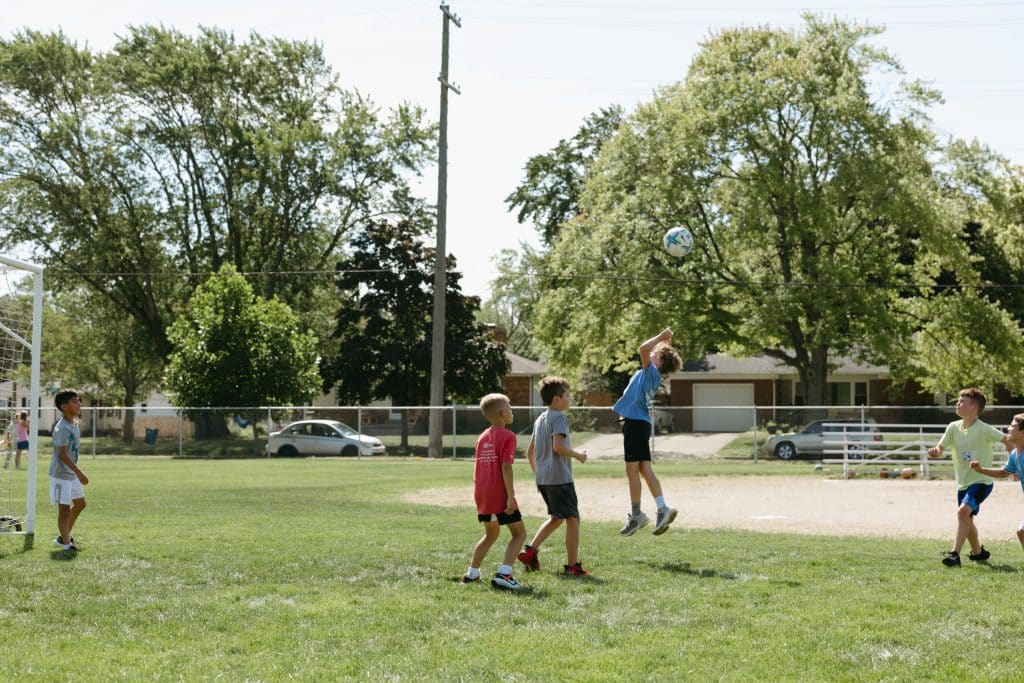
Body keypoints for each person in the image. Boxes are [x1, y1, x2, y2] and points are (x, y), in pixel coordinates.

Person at [926, 387, 1010, 567]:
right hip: (962, 483)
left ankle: (954, 554)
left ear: (974, 407)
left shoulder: (985, 429)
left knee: (963, 512)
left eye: (961, 401)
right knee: (967, 518)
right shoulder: (952, 427)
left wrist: (1014, 465)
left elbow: (1008, 441)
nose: (957, 403)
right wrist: (935, 452)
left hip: (981, 482)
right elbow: (940, 448)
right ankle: (978, 552)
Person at [613, 328, 683, 537]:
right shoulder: (652, 374)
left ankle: (637, 515)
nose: (652, 352)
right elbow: (655, 352)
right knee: (644, 470)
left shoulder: (650, 371)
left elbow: (644, 348)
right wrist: (665, 344)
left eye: (657, 353)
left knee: (631, 471)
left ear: (659, 362)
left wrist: (660, 337)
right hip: (640, 424)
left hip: (635, 424)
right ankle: (662, 508)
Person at [518, 376, 590, 577]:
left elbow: (529, 452)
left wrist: (539, 474)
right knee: (573, 519)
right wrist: (579, 456)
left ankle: (530, 551)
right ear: (557, 399)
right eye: (567, 396)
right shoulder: (559, 417)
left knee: (557, 518)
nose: (570, 399)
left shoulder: (540, 419)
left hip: (544, 478)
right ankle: (573, 566)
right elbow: (558, 447)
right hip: (559, 478)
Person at [462, 393, 526, 591]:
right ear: (502, 413)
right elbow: (506, 467)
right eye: (509, 407)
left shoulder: (482, 437)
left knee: (491, 534)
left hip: (482, 494)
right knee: (519, 533)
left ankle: (472, 574)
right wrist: (510, 496)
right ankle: (504, 574)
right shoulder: (508, 436)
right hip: (499, 494)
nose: (512, 410)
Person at [969, 412, 1024, 553]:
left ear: (1023, 432)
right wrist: (981, 470)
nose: (1008, 429)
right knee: (1022, 532)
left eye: (1012, 426)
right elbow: (1004, 472)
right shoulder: (1015, 455)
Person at [50, 390, 88, 552]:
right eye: (75, 401)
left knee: (80, 504)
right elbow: (63, 453)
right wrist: (79, 472)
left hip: (70, 474)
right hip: (61, 475)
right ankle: (66, 543)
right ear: (64, 407)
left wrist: (75, 472)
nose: (79, 404)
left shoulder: (74, 424)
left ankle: (63, 536)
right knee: (64, 510)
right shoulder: (62, 428)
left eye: (79, 401)